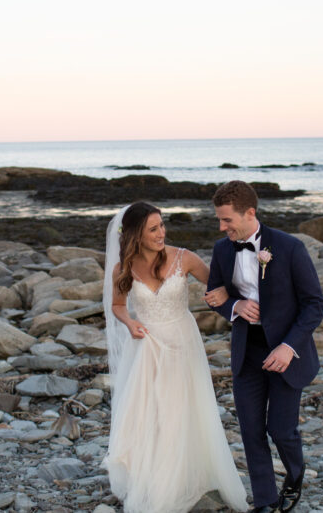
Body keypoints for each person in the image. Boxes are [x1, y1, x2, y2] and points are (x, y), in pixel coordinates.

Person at [102, 201, 249, 513]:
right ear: (135, 236)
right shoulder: (123, 268)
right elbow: (117, 305)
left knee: (181, 409)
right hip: (146, 346)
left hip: (182, 343)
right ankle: (151, 477)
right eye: (153, 229)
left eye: (162, 225)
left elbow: (220, 287)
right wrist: (130, 323)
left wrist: (232, 298)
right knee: (150, 412)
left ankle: (184, 477)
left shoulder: (185, 258)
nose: (161, 233)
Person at [203, 181, 323, 512]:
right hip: (248, 350)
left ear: (250, 213)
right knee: (251, 431)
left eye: (227, 220)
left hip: (287, 352)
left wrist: (288, 347)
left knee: (281, 430)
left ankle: (295, 475)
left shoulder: (289, 248)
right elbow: (214, 293)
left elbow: (314, 304)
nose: (221, 227)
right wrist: (235, 307)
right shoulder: (222, 249)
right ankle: (265, 503)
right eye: (219, 220)